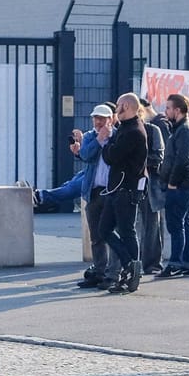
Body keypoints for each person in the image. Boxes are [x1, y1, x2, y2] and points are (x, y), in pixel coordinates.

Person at [97, 93, 149, 294]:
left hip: (125, 188)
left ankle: (131, 271)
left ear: (126, 106)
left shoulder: (133, 131)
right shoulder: (125, 128)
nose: (116, 108)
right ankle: (130, 264)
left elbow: (112, 157)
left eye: (118, 105)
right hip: (117, 188)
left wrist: (106, 141)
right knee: (105, 229)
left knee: (127, 231)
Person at [157, 93, 189, 278]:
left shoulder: (184, 130)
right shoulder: (181, 128)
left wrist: (173, 183)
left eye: (168, 108)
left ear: (177, 110)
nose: (165, 111)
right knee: (184, 224)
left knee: (176, 226)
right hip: (186, 184)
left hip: (182, 185)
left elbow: (183, 159)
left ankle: (175, 263)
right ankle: (186, 263)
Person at [74, 105, 118, 289]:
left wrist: (107, 139)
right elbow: (84, 155)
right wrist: (99, 140)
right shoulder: (91, 136)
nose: (98, 122)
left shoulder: (117, 136)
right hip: (93, 191)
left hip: (111, 191)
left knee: (112, 233)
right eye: (95, 118)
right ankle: (99, 271)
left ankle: (113, 272)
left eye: (102, 118)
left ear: (111, 119)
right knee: (96, 235)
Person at [138, 101, 168, 277]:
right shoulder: (123, 130)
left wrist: (137, 161)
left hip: (151, 185)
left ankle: (152, 263)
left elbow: (159, 156)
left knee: (152, 225)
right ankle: (133, 262)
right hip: (128, 185)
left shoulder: (153, 130)